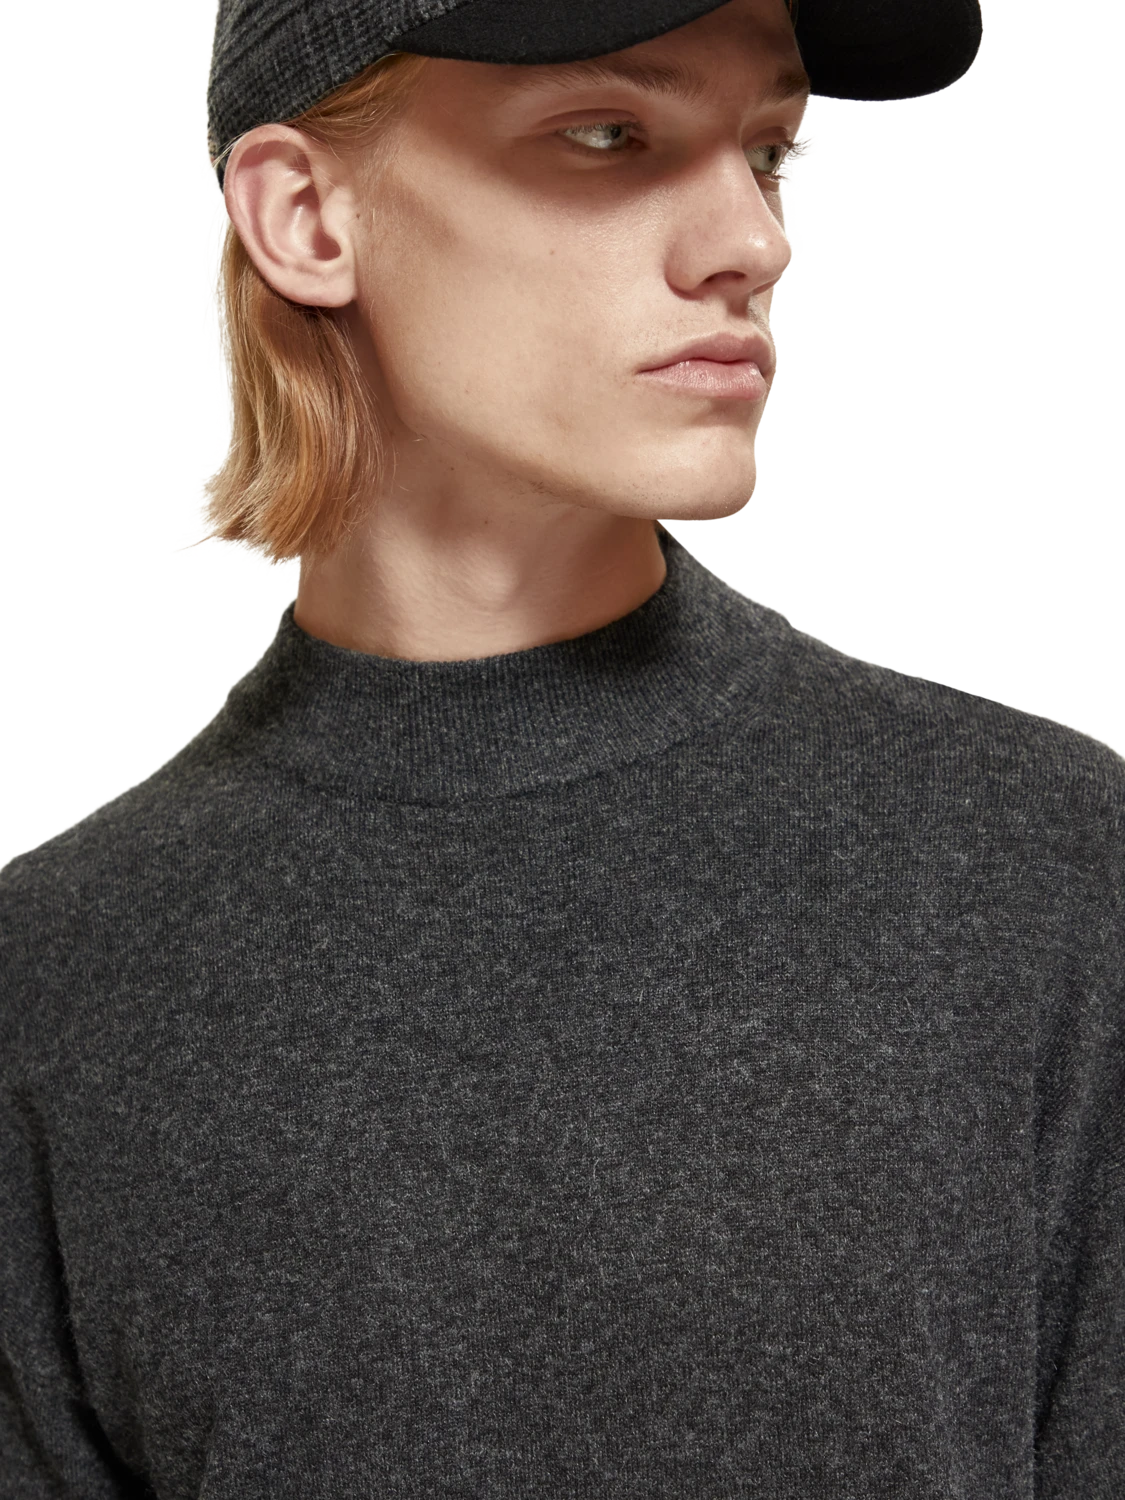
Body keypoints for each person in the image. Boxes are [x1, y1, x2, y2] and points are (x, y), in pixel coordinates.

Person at [3, 3, 1119, 1499]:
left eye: (771, 150)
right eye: (609, 133)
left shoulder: (1046, 871)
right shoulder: (53, 990)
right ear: (306, 218)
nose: (756, 242)